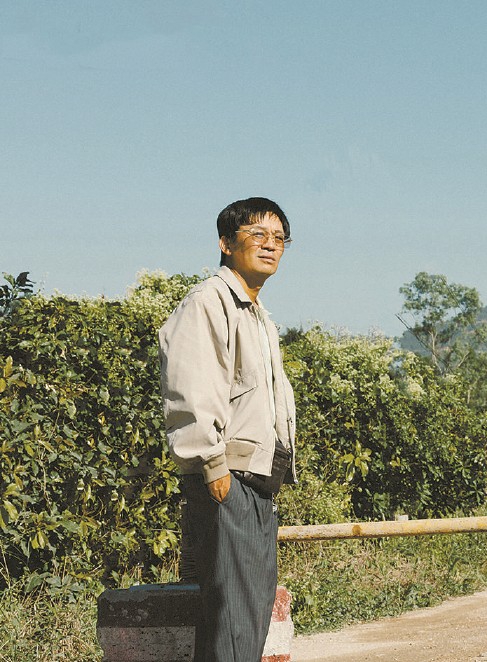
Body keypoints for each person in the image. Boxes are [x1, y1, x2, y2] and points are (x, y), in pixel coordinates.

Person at [159, 197, 297, 662]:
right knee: (234, 625)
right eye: (257, 235)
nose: (270, 245)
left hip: (256, 483)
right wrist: (212, 468)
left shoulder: (257, 314)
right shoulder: (209, 301)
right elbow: (190, 388)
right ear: (225, 243)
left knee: (246, 621)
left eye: (279, 238)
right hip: (227, 482)